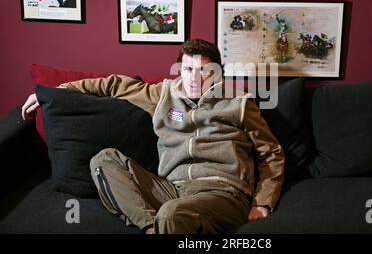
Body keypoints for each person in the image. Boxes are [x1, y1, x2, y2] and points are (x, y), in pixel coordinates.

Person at [21, 39, 285, 234]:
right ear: (179, 70)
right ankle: (152, 227)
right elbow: (112, 84)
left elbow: (270, 153)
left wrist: (262, 203)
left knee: (172, 213)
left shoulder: (238, 103)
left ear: (216, 72)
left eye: (203, 71)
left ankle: (161, 225)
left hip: (223, 194)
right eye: (188, 70)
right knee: (103, 160)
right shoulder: (162, 95)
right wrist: (53, 93)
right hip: (172, 190)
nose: (194, 78)